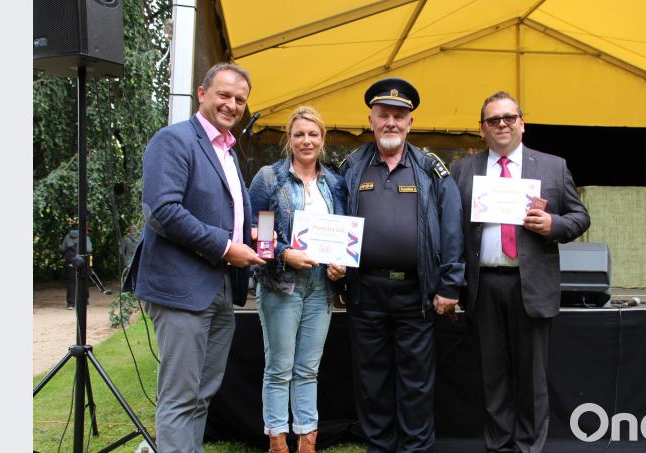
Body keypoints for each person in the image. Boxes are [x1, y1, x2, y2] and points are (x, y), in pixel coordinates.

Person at [122, 62, 266, 453]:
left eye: (239, 99)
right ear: (201, 94)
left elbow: (219, 209)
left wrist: (246, 235)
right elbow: (162, 211)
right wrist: (225, 245)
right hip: (181, 287)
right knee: (180, 396)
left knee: (203, 392)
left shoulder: (227, 151)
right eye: (224, 95)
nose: (232, 105)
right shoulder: (174, 140)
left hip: (218, 285)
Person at [450, 91, 591, 453]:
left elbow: (580, 218)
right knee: (492, 375)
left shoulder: (553, 167)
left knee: (532, 378)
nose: (502, 125)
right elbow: (450, 228)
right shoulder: (462, 170)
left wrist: (552, 224)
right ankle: (498, 446)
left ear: (522, 123)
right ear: (481, 129)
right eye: (493, 120)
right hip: (482, 285)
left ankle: (529, 447)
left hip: (532, 285)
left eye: (509, 118)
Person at [338, 78, 465, 453]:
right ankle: (379, 447)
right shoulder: (351, 166)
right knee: (371, 380)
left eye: (399, 116)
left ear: (410, 123)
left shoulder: (430, 168)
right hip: (365, 293)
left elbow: (452, 225)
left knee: (416, 382)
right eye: (384, 115)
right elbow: (333, 216)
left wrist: (450, 284)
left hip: (417, 293)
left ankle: (414, 449)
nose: (391, 122)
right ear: (371, 119)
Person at [248, 106, 347, 453]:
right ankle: (277, 441)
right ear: (288, 139)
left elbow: (343, 234)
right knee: (279, 368)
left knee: (308, 369)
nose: (307, 141)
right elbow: (257, 236)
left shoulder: (335, 183)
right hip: (281, 284)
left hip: (321, 286)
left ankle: (307, 440)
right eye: (299, 134)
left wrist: (341, 265)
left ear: (322, 139)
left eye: (313, 134)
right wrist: (284, 253)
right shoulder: (268, 179)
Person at [60, 224, 92, 310]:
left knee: (71, 282)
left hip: (70, 260)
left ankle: (70, 304)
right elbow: (89, 249)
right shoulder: (84, 236)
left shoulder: (67, 236)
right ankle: (85, 300)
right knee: (83, 279)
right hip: (83, 260)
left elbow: (62, 249)